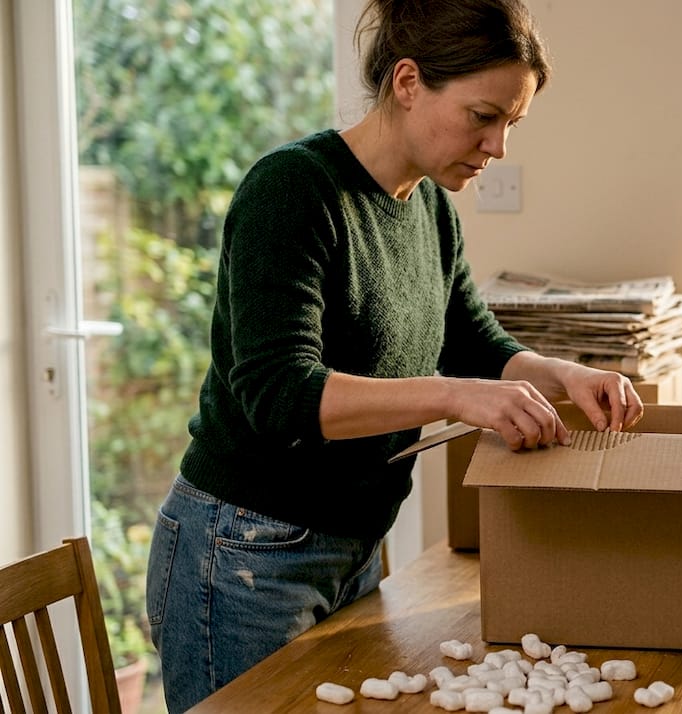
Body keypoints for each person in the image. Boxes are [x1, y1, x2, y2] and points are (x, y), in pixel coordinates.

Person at [144, 1, 643, 710]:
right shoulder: (292, 191)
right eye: (483, 116)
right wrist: (452, 395)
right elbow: (280, 394)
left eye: (512, 124)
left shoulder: (429, 208)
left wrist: (564, 373)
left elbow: (474, 340)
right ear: (408, 82)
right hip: (242, 553)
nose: (498, 145)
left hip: (348, 544)